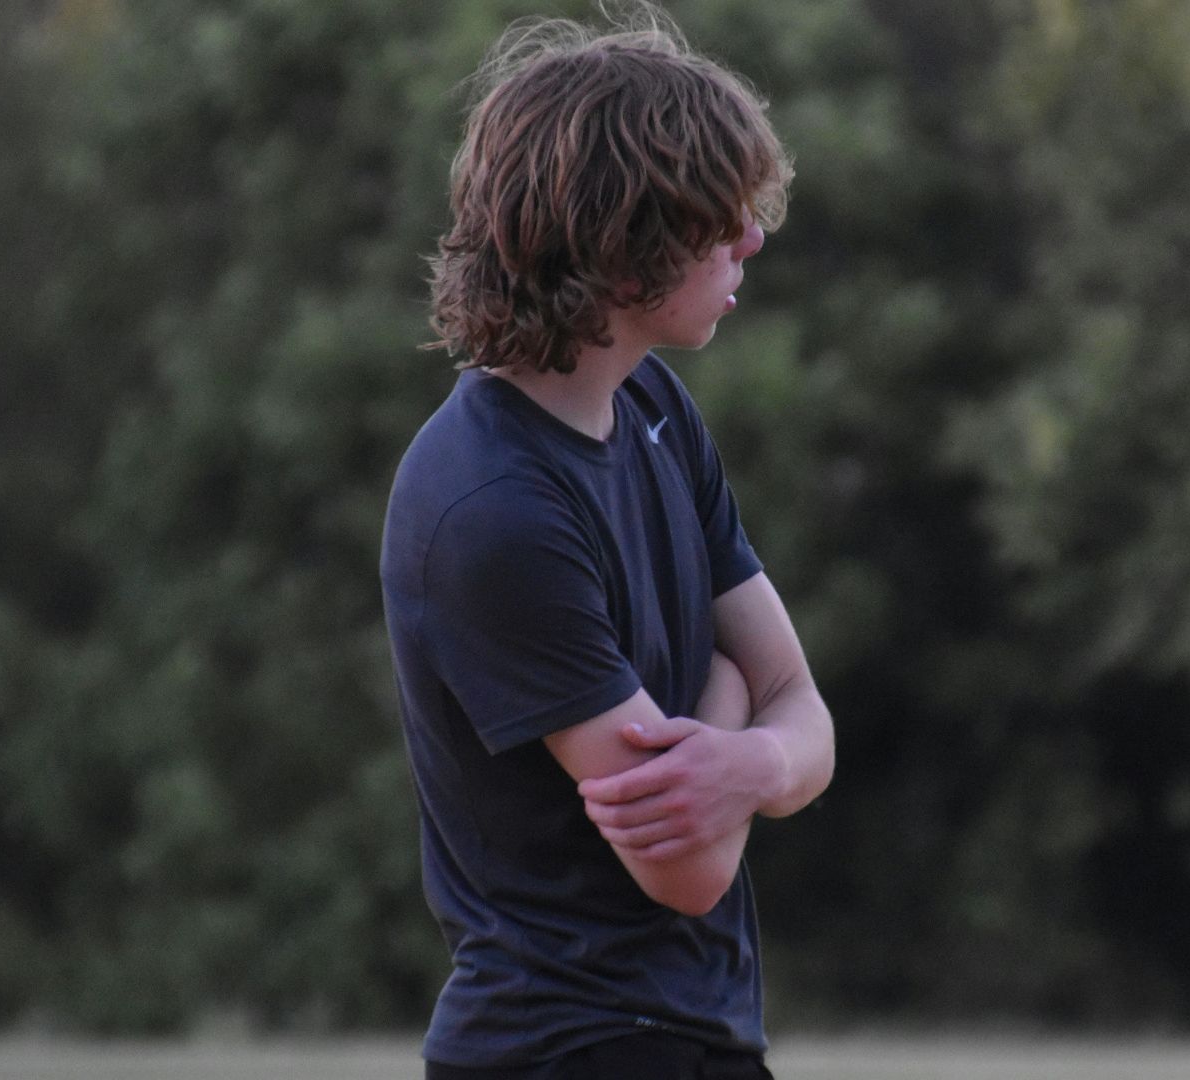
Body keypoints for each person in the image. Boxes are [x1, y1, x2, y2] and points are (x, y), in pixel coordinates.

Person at [380, 6, 834, 1077]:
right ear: (625, 254)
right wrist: (734, 695)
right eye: (716, 220)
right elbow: (688, 873)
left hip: (690, 1038)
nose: (750, 241)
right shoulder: (495, 510)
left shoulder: (655, 408)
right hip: (569, 1049)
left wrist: (745, 761)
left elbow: (806, 712)